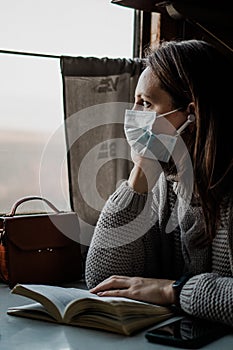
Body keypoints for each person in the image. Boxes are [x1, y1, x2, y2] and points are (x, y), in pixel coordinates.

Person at [85, 39, 233, 327]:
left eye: (145, 103)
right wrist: (140, 171)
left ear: (193, 114)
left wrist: (173, 291)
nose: (133, 114)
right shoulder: (165, 183)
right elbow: (104, 280)